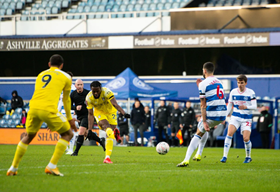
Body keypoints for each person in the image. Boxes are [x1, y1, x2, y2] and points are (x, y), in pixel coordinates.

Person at [7, 54, 77, 176]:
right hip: (48, 109)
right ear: (62, 65)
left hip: (33, 108)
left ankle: (13, 168)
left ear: (49, 64)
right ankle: (51, 166)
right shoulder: (66, 77)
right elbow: (66, 100)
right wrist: (70, 119)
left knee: (29, 136)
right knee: (68, 134)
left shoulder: (41, 74)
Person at [177, 62, 227, 167]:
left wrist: (204, 121)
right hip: (222, 114)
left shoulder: (203, 84)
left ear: (204, 71)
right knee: (202, 129)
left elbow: (203, 105)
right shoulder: (219, 81)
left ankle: (186, 160)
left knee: (198, 133)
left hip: (212, 114)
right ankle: (199, 154)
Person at [86, 81, 130, 164]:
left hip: (111, 112)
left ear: (101, 89)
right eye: (93, 91)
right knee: (107, 127)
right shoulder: (88, 98)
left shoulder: (107, 92)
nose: (95, 93)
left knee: (109, 133)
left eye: (97, 91)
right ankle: (108, 156)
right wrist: (89, 129)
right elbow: (90, 114)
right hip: (99, 113)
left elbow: (115, 104)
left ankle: (107, 157)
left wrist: (124, 113)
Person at [220, 74, 257, 163]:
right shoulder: (233, 92)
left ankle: (248, 157)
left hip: (246, 118)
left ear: (245, 83)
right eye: (238, 83)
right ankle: (224, 156)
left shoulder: (250, 92)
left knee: (246, 138)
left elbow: (254, 106)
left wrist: (246, 107)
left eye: (242, 83)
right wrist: (225, 116)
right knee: (229, 133)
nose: (240, 85)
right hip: (236, 116)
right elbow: (229, 105)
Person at [71, 79, 105, 156]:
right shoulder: (73, 94)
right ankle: (100, 141)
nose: (79, 86)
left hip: (87, 115)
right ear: (75, 86)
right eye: (78, 85)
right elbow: (69, 106)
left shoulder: (88, 93)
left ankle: (75, 152)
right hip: (79, 116)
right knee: (86, 134)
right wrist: (75, 108)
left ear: (83, 85)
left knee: (81, 132)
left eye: (81, 85)